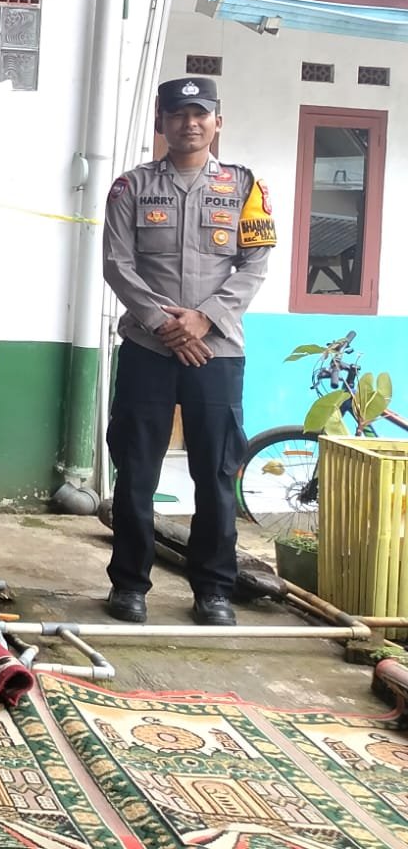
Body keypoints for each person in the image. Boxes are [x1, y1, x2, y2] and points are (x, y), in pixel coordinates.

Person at [102, 76, 273, 627]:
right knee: (136, 472)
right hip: (147, 350)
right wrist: (164, 324)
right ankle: (129, 586)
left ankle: (214, 591)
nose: (189, 123)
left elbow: (255, 265)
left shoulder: (245, 187)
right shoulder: (130, 187)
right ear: (162, 123)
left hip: (217, 353)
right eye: (178, 114)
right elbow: (117, 265)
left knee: (216, 475)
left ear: (217, 121)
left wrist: (204, 319)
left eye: (200, 114)